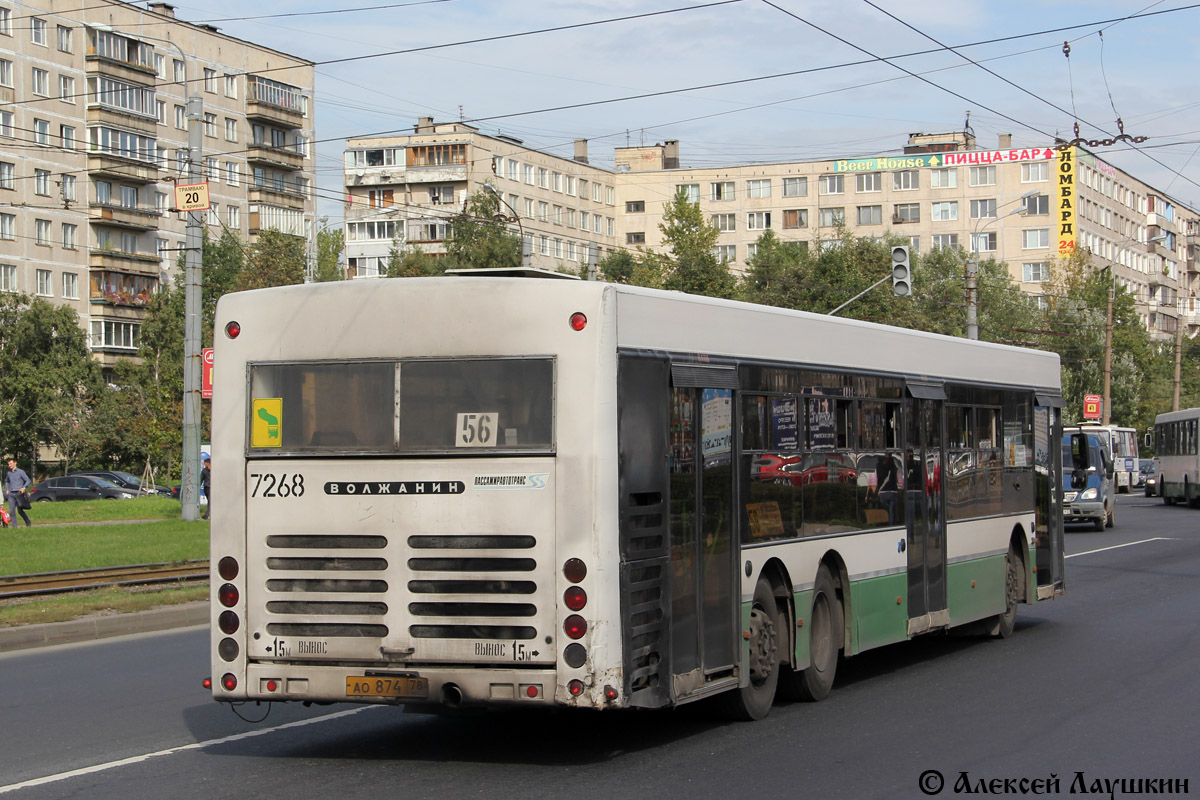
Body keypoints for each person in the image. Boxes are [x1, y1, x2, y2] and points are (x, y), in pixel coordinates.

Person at [4, 457, 32, 528]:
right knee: (12, 511)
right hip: (11, 494)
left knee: (20, 511)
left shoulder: (20, 472)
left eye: (10, 463)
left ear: (15, 463)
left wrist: (24, 487)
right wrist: (7, 489)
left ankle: (28, 522)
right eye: (8, 464)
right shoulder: (9, 473)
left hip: (19, 494)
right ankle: (14, 527)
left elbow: (28, 480)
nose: (9, 465)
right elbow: (6, 481)